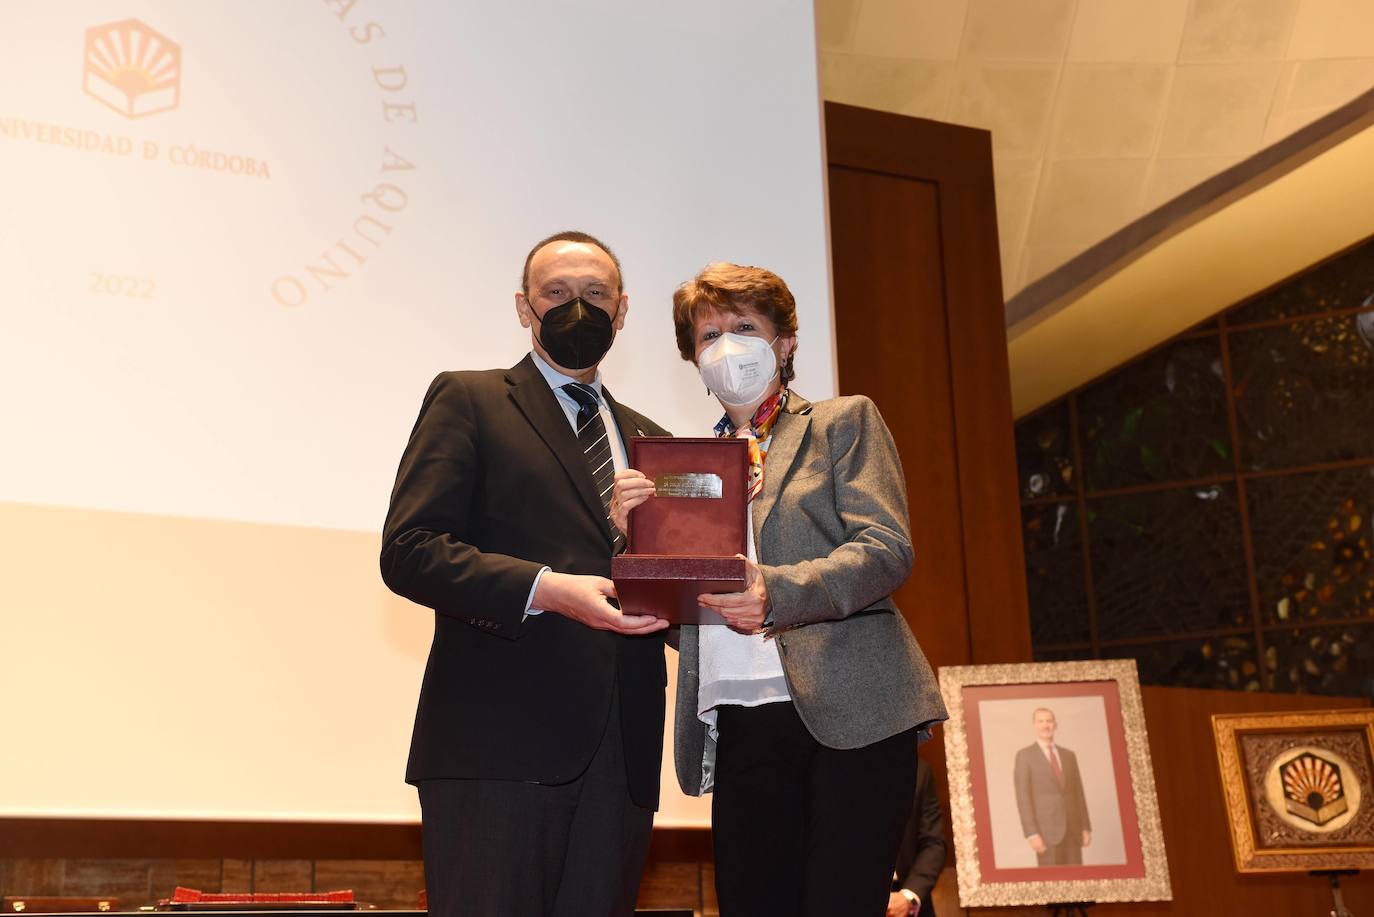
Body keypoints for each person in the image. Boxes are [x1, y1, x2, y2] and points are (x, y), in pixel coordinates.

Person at [611, 262, 947, 917]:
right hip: (740, 716)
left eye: (743, 327)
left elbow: (886, 548)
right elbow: (681, 613)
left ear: (786, 343)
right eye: (708, 337)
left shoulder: (841, 423)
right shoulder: (679, 471)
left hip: (850, 712)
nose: (725, 347)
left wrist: (778, 591)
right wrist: (633, 542)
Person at [380, 231, 671, 917]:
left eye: (596, 294)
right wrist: (547, 589)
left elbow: (665, 596)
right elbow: (410, 548)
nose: (579, 308)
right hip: (497, 752)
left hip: (620, 756)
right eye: (557, 294)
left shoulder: (652, 439)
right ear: (524, 306)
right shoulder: (471, 400)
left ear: (623, 310)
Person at [1013, 707, 1092, 866]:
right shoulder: (1025, 756)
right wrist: (1032, 833)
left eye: (1049, 721)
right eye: (1040, 721)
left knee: (1077, 883)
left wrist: (1085, 827)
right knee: (1052, 885)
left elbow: (1078, 793)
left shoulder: (1069, 755)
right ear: (1034, 725)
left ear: (1055, 724)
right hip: (1046, 834)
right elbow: (1023, 798)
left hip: (1073, 831)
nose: (1045, 725)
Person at [889, 757, 947, 916]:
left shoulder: (919, 771)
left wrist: (909, 896)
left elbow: (934, 844)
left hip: (909, 897)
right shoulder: (842, 772)